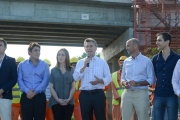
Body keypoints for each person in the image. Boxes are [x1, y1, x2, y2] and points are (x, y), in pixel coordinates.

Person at [73, 38, 111, 120]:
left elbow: (108, 78)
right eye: (87, 46)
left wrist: (100, 81)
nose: (89, 48)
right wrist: (84, 65)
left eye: (91, 46)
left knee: (101, 117)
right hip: (84, 95)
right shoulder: (80, 62)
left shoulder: (102, 62)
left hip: (98, 94)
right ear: (84, 48)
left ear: (96, 48)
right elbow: (75, 78)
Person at [121, 38, 155, 120]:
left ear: (135, 46)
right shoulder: (126, 61)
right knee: (125, 118)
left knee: (143, 117)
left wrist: (138, 83)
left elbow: (152, 79)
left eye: (128, 46)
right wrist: (125, 83)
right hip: (127, 93)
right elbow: (122, 78)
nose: (127, 48)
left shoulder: (147, 61)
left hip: (141, 93)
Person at [18, 42, 50, 120]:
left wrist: (35, 92)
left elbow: (45, 81)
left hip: (40, 97)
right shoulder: (21, 65)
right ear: (29, 52)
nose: (38, 52)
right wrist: (27, 91)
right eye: (35, 50)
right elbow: (19, 80)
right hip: (26, 96)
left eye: (39, 50)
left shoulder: (45, 65)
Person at [152, 32, 180, 120]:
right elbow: (154, 76)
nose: (157, 43)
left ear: (167, 42)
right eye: (156, 40)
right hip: (158, 95)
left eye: (159, 40)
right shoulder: (155, 59)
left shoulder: (177, 58)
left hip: (172, 96)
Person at [48, 48, 75, 120]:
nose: (60, 56)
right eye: (59, 55)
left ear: (67, 57)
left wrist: (69, 99)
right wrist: (58, 99)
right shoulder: (53, 70)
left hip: (69, 101)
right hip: (55, 102)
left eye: (63, 55)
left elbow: (73, 86)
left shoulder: (72, 70)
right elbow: (51, 87)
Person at [0, 38, 17, 120]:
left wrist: (2, 90)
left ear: (5, 47)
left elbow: (14, 79)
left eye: (0, 45)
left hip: (5, 96)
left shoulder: (11, 61)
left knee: (6, 118)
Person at [111, 56, 126, 120]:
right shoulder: (114, 75)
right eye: (121, 63)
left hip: (128, 100)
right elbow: (113, 88)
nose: (122, 64)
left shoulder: (130, 74)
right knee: (117, 118)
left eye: (124, 63)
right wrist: (119, 98)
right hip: (117, 102)